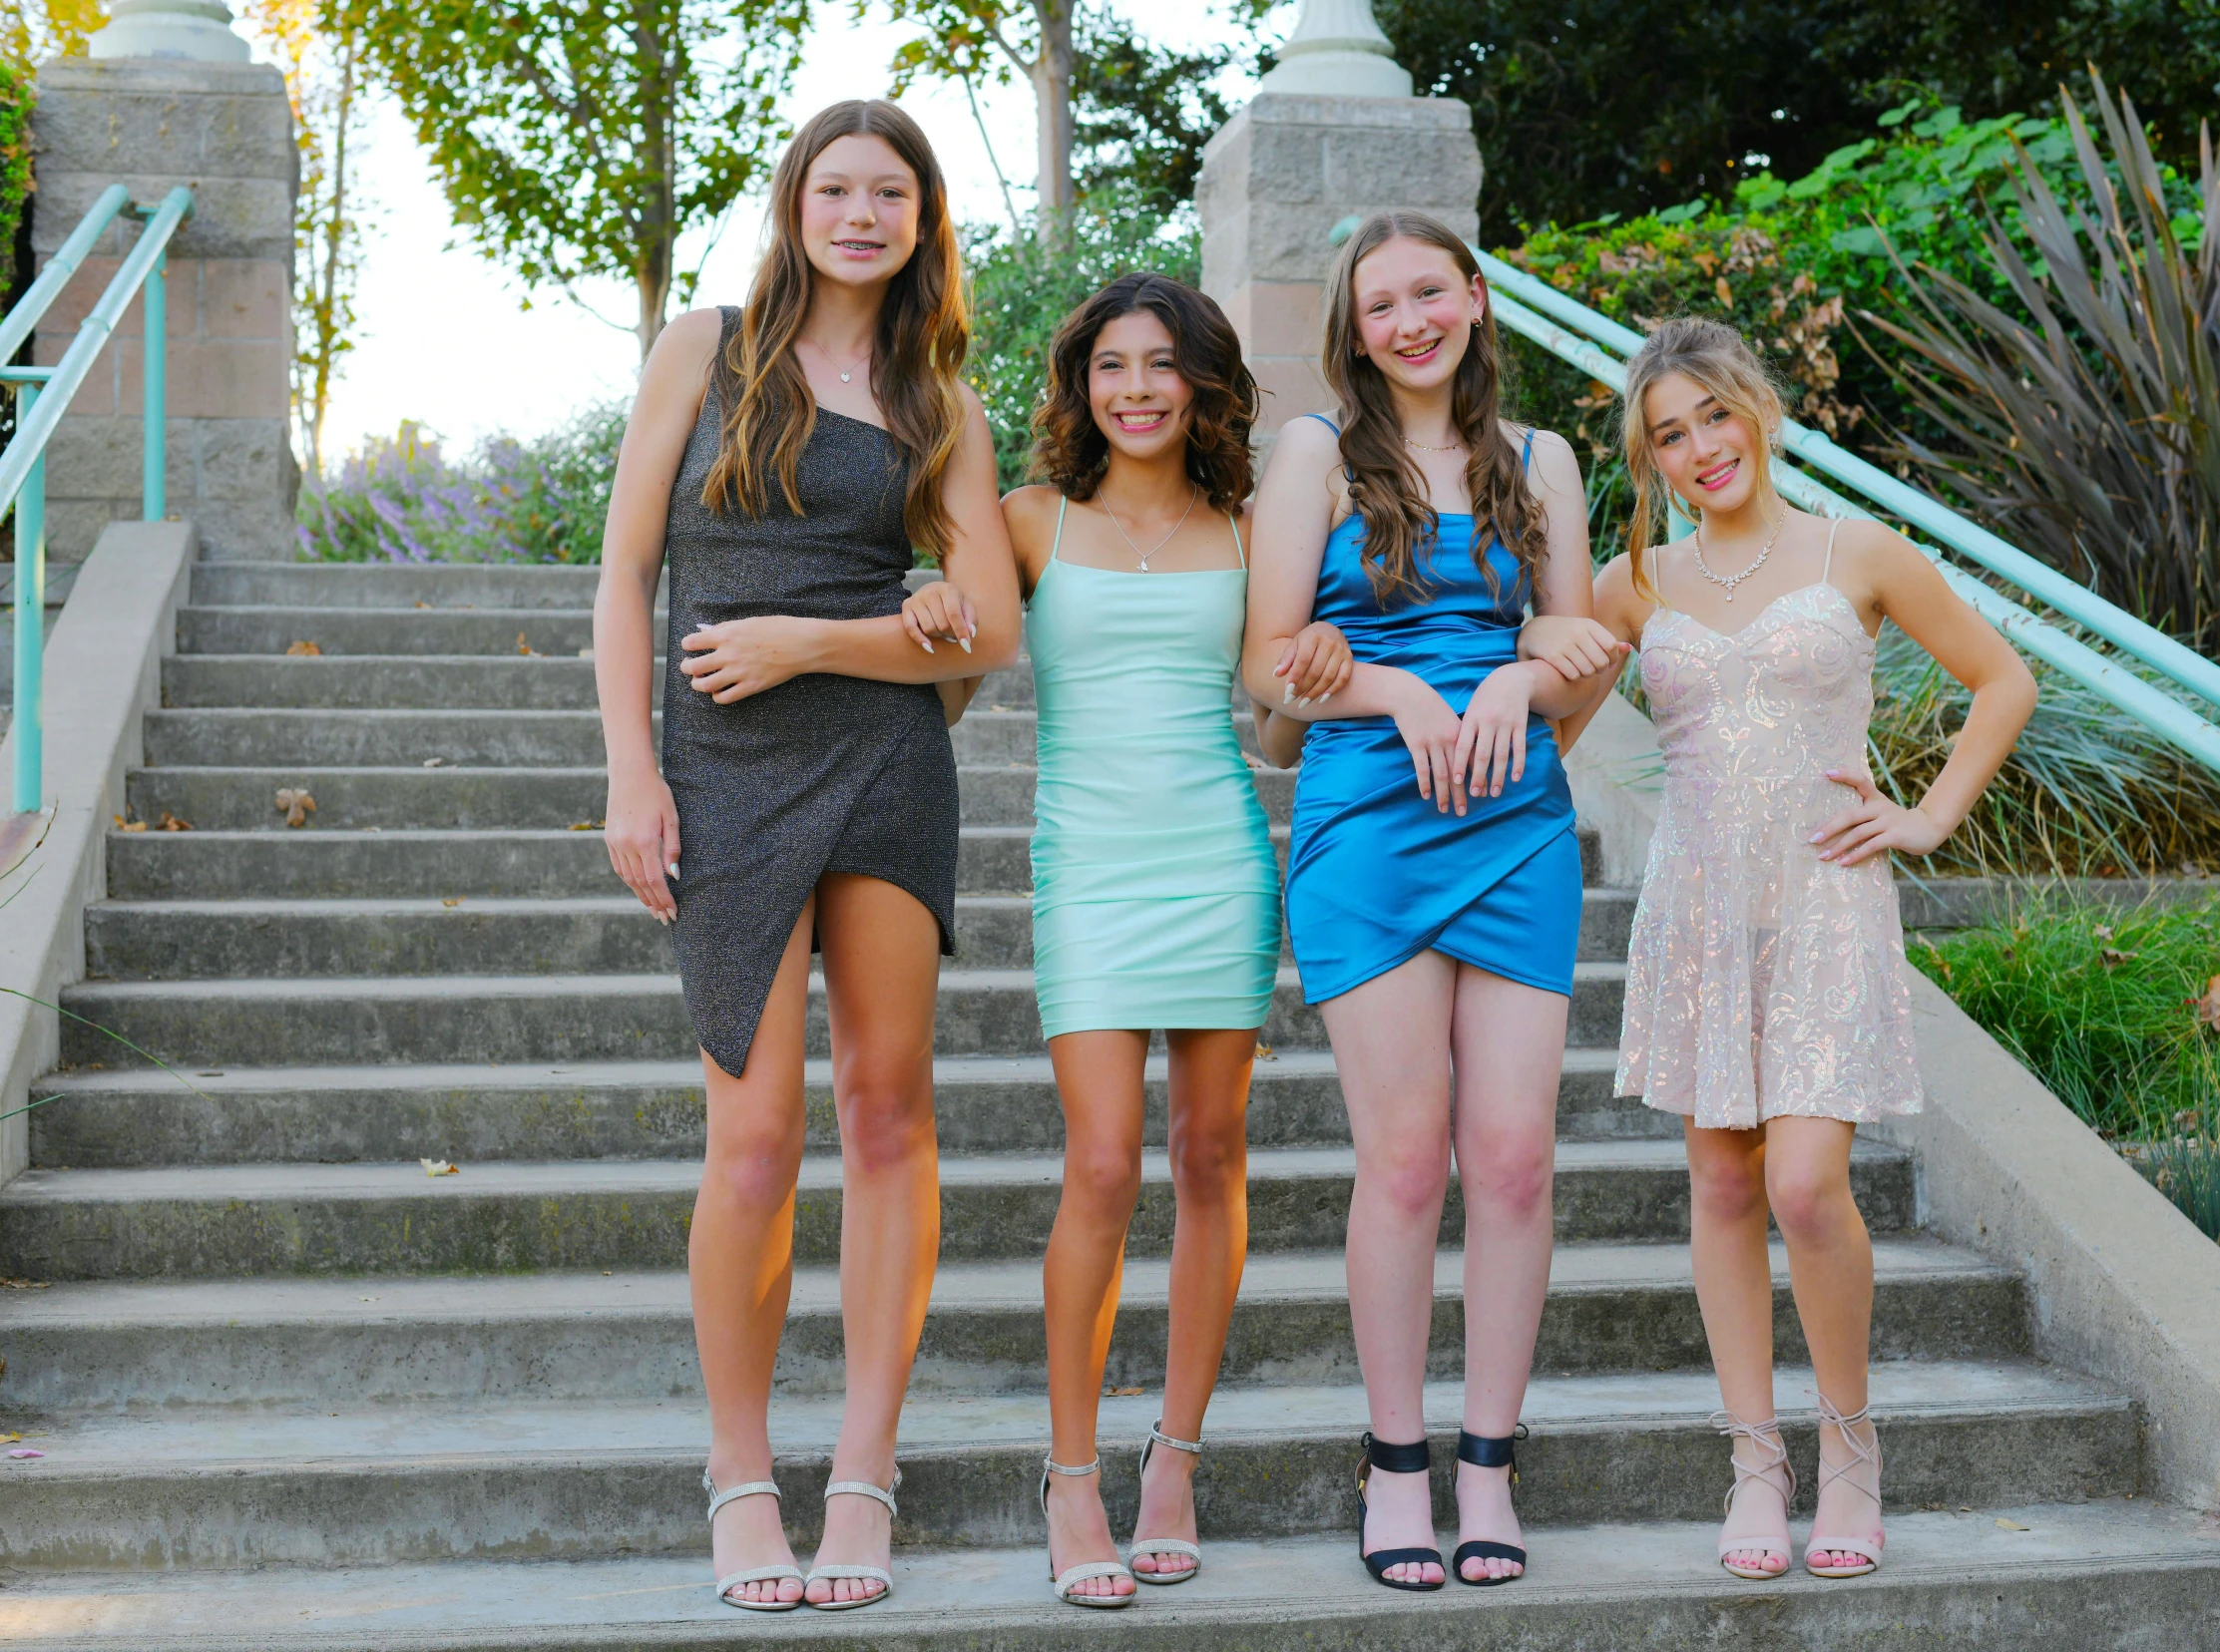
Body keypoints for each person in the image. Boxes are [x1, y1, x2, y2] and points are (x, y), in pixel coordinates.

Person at [591, 98, 1021, 1613]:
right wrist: (632, 773)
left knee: (887, 1115)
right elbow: (628, 568)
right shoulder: (704, 350)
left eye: (887, 192)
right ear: (794, 205)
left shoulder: (941, 400)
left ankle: (862, 1472)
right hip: (719, 767)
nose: (858, 213)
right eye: (833, 187)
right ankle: (739, 1476)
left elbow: (995, 619)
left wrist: (821, 637)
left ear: (922, 221)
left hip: (888, 766)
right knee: (755, 1136)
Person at [1525, 316, 2035, 1581]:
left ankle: (1847, 1446)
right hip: (1696, 913)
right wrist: (1510, 663)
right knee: (1718, 1188)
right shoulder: (1633, 583)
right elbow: (1547, 728)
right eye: (1667, 435)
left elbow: (2000, 679)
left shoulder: (1853, 550)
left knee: (1806, 1187)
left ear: (1756, 409)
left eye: (1712, 416)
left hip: (1822, 902)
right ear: (1646, 461)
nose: (1699, 448)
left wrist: (1924, 816)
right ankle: (1753, 1459)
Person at [907, 271, 1349, 1608]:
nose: (1139, 390)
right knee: (1101, 1163)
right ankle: (1071, 1474)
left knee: (1210, 1156)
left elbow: (1269, 728)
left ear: (1203, 382)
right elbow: (945, 692)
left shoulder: (1245, 527)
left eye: (1163, 366)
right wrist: (929, 616)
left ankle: (1174, 1456)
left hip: (1218, 859)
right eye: (1112, 367)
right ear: (1081, 385)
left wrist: (1315, 684)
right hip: (1087, 871)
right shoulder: (1027, 521)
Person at [1242, 210, 1608, 1591]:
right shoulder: (1316, 456)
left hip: (1514, 824)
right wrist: (1398, 689)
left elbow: (1574, 649)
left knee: (1512, 1156)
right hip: (1367, 824)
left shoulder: (1546, 461)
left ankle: (1490, 1463)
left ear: (1471, 296)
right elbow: (1270, 661)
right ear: (1352, 327)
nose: (1406, 320)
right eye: (1376, 304)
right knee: (1404, 1158)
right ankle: (1396, 1467)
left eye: (1425, 292)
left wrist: (1517, 678)